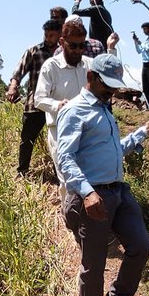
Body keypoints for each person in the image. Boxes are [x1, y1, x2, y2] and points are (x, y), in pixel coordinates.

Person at [55, 51, 149, 296]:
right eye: (107, 85)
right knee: (95, 263)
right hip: (92, 197)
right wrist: (87, 192)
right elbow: (64, 157)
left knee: (141, 245)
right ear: (91, 77)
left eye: (115, 86)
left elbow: (113, 149)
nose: (112, 91)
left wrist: (142, 133)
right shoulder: (75, 110)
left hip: (118, 191)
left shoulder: (104, 108)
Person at [36, 20, 95, 195]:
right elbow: (38, 99)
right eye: (73, 45)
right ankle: (69, 220)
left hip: (87, 130)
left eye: (81, 45)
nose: (78, 50)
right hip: (59, 131)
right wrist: (58, 105)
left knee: (89, 178)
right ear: (62, 42)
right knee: (67, 180)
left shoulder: (89, 65)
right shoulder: (51, 67)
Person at [6, 19, 61, 176]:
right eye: (46, 35)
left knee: (60, 141)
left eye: (52, 35)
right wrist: (13, 87)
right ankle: (22, 171)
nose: (48, 38)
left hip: (58, 104)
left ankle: (61, 175)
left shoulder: (64, 53)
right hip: (35, 104)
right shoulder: (34, 51)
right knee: (27, 139)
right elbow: (18, 72)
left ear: (59, 35)